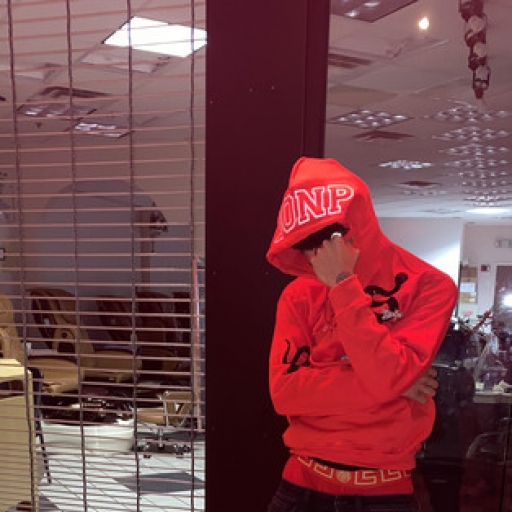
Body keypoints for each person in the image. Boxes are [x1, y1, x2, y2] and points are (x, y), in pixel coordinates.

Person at [265, 157, 458, 512]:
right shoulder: (298, 294)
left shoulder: (430, 286)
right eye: (305, 244)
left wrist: (342, 285)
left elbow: (386, 376)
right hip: (301, 484)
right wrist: (395, 385)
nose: (317, 256)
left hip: (384, 489)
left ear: (356, 227)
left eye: (326, 240)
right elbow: (285, 394)